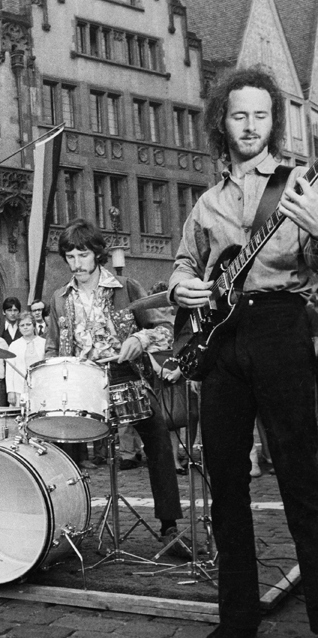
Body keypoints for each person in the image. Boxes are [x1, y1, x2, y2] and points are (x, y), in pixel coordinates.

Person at [169, 66, 318, 638]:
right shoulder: (206, 203)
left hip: (281, 327)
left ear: (273, 121)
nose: (250, 125)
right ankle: (237, 620)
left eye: (261, 114)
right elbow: (186, 263)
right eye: (239, 115)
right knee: (225, 479)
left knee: (301, 476)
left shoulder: (300, 182)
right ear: (222, 122)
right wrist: (183, 285)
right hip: (222, 340)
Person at [45, 218, 188, 559]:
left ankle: (169, 526)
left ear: (97, 254)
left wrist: (141, 338)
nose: (76, 263)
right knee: (63, 450)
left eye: (82, 255)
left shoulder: (126, 287)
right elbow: (51, 347)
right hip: (79, 378)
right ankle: (66, 525)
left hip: (124, 373)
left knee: (157, 439)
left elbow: (165, 329)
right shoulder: (59, 298)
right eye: (70, 256)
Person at [5, 311, 45, 408]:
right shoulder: (14, 345)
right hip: (20, 390)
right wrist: (10, 391)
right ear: (19, 328)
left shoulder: (43, 343)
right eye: (22, 325)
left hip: (40, 387)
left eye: (28, 324)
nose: (25, 327)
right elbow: (9, 371)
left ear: (34, 325)